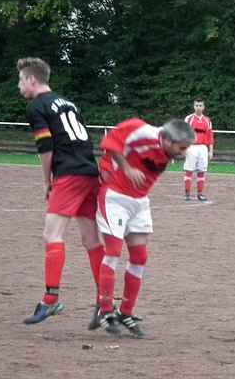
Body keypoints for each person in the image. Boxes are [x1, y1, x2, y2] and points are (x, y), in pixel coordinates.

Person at [17, 57, 105, 325]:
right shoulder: (68, 102)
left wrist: (47, 181)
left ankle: (50, 300)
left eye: (21, 80)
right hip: (90, 172)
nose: (19, 86)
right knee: (91, 239)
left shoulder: (37, 106)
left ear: (33, 80)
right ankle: (105, 303)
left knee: (51, 234)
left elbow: (46, 147)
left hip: (69, 174)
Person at [91, 118, 195, 337]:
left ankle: (125, 312)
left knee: (139, 257)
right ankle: (105, 310)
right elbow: (110, 141)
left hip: (139, 202)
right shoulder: (141, 131)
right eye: (182, 148)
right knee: (113, 253)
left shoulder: (167, 147)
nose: (185, 153)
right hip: (115, 198)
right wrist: (126, 168)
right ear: (167, 140)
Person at [183, 99, 214, 201]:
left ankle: (200, 194)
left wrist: (210, 150)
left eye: (200, 105)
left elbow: (210, 136)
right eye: (196, 105)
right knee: (189, 170)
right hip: (191, 147)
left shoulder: (207, 120)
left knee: (201, 171)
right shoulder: (189, 119)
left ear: (203, 107)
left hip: (203, 148)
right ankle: (187, 193)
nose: (198, 107)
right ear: (194, 106)